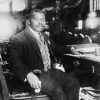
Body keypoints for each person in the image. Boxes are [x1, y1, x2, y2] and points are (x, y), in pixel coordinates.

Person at [9, 9, 80, 100]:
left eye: (42, 19)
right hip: (35, 75)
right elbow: (15, 62)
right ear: (29, 21)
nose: (40, 22)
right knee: (57, 90)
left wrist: (71, 49)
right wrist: (29, 74)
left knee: (73, 82)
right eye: (36, 19)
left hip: (49, 72)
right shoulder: (18, 38)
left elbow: (57, 48)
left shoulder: (43, 36)